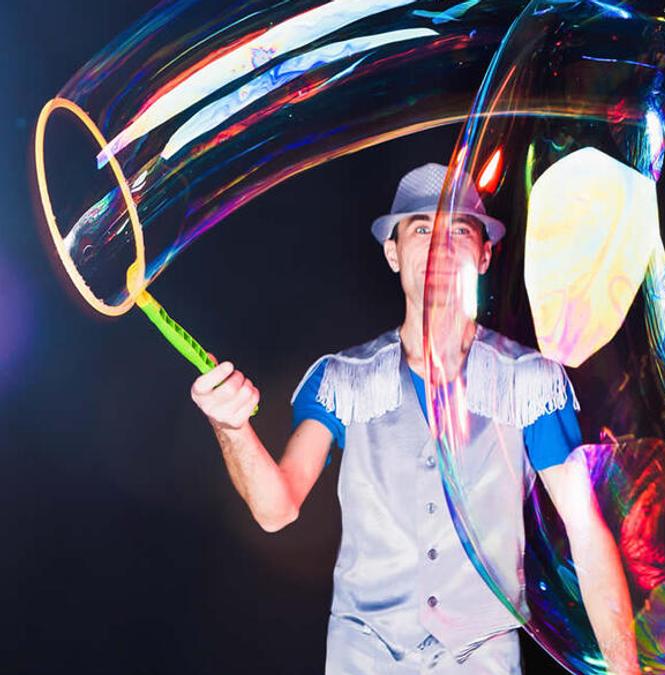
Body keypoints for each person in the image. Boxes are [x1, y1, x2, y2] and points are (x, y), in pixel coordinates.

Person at [191, 163, 640, 674]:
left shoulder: (531, 382)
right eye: (421, 230)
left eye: (459, 231)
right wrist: (231, 428)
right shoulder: (342, 379)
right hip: (364, 659)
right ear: (393, 252)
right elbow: (276, 509)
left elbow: (586, 532)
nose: (440, 249)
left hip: (482, 661)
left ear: (484, 255)